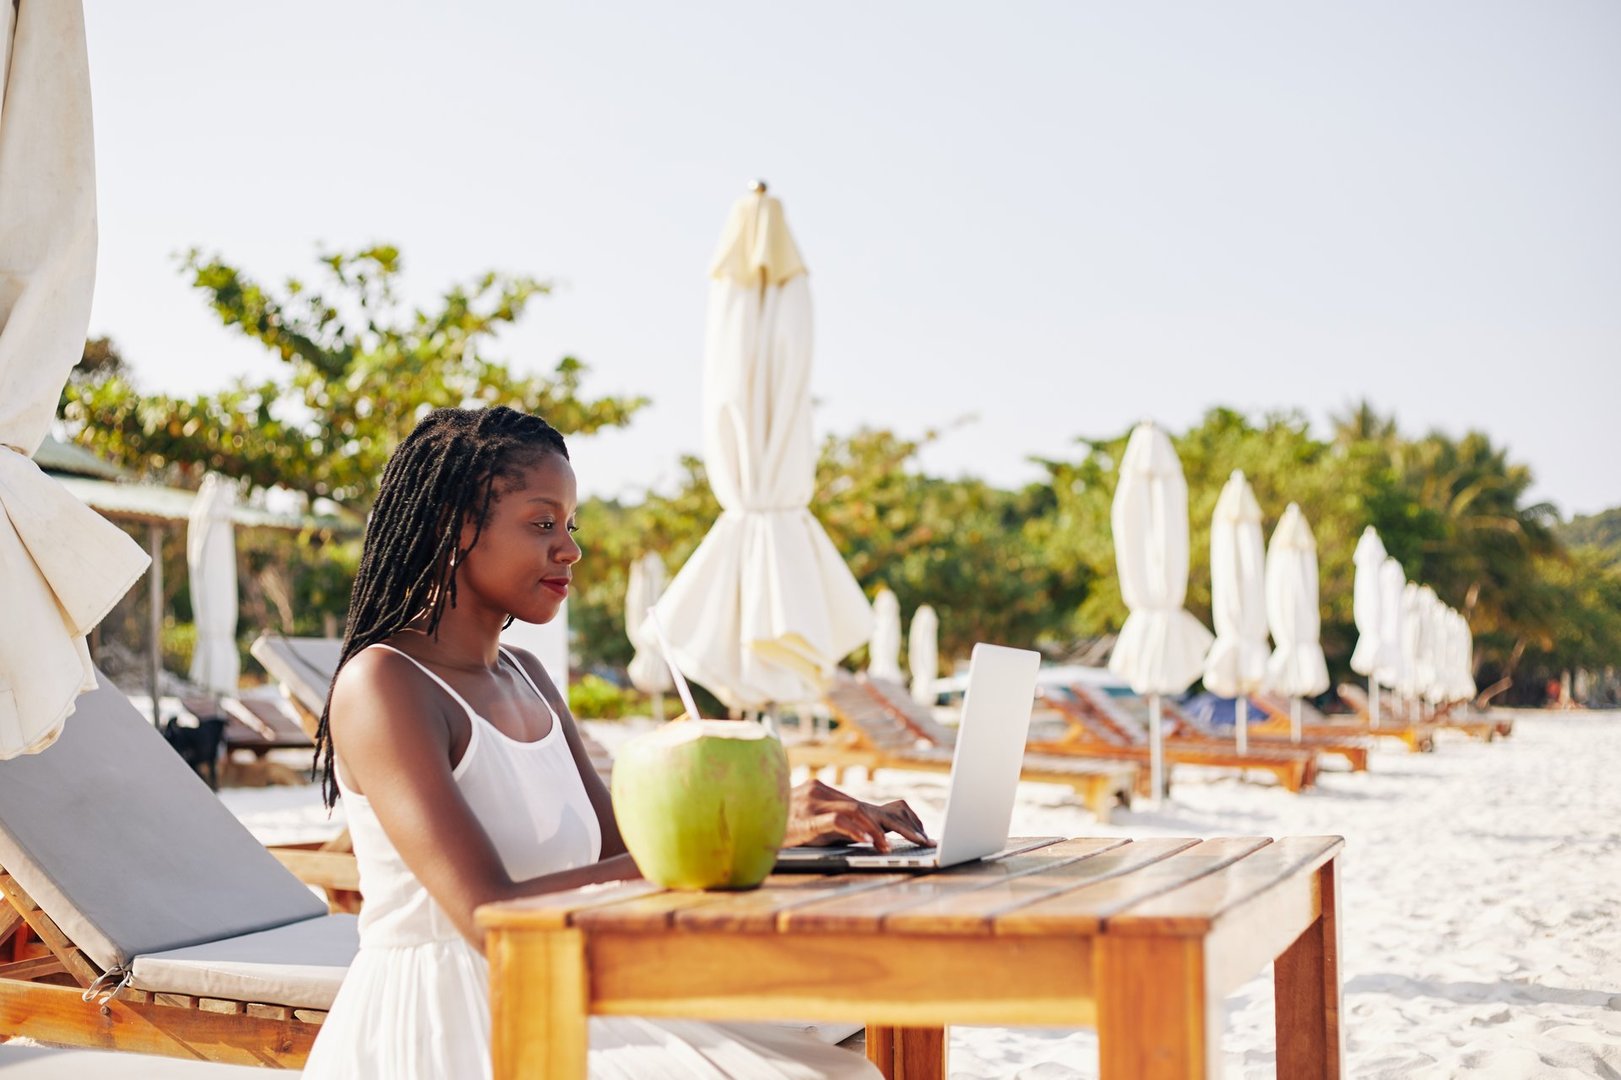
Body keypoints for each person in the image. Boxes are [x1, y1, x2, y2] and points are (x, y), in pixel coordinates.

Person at [302, 406, 927, 1079]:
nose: (569, 550)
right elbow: (488, 918)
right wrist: (754, 836)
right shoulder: (385, 685)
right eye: (542, 524)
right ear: (451, 527)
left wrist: (781, 824)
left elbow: (623, 851)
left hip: (569, 985)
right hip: (455, 1017)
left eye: (570, 526)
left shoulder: (527, 675)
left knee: (840, 1042)